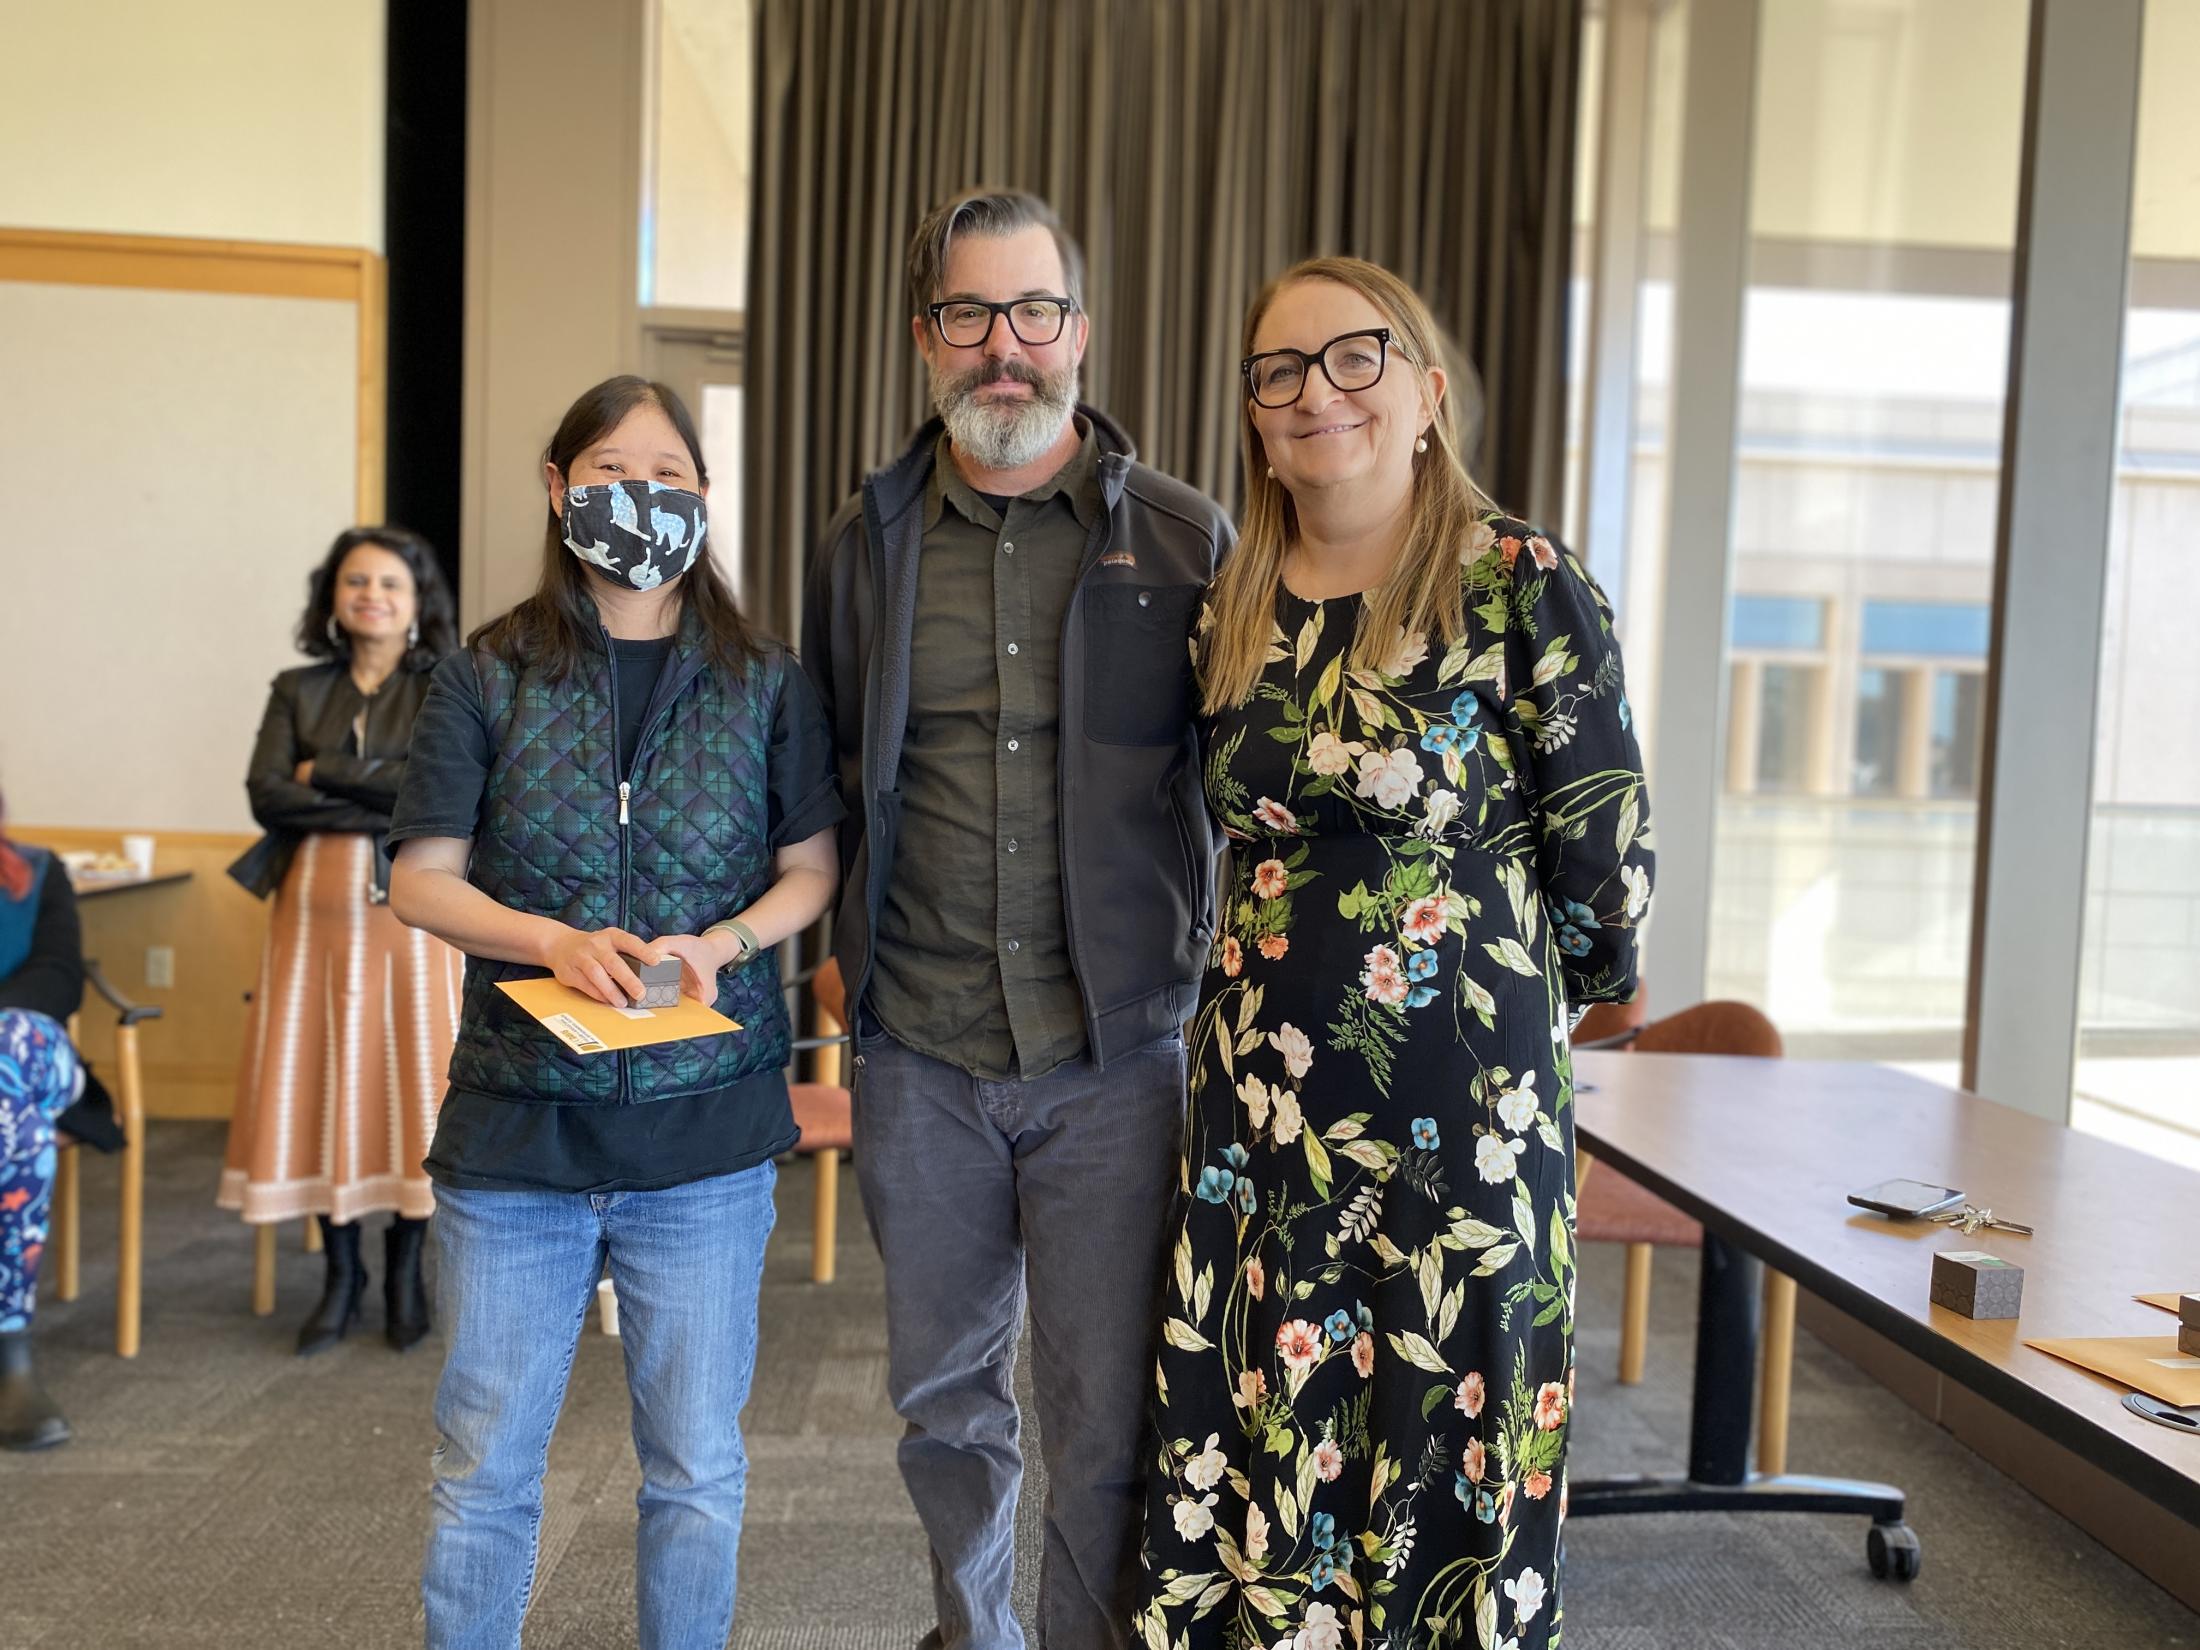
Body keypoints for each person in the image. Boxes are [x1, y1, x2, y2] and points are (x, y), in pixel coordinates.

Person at [1133, 258, 1653, 1650]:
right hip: (1264, 1125)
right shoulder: (1231, 600)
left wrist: (1563, 1000)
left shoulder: (1517, 582)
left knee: (1446, 1467)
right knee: (1271, 1445)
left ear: (1427, 391)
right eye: (1279, 371)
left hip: (1466, 1135)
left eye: (1352, 358)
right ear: (1254, 415)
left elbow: (1605, 855)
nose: (1316, 393)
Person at [801, 188, 1234, 1649]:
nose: (1006, 348)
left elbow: (1241, 790)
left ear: (1080, 333)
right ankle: (971, 1632)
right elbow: (835, 771)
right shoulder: (863, 541)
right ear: (928, 336)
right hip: (919, 1049)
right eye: (972, 315)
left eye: (1033, 312)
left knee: (1107, 1414)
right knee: (943, 1403)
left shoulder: (1184, 543)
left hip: (1116, 1060)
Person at [388, 375, 842, 1650]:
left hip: (703, 1137)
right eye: (610, 468)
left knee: (694, 1469)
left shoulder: (765, 683)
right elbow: (418, 879)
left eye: (669, 473)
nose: (642, 494)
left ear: (704, 498)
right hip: (518, 1135)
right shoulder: (487, 674)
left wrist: (727, 941)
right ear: (557, 488)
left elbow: (812, 868)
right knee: (485, 1469)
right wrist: (548, 941)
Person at [220, 526, 464, 1356]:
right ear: (333, 596)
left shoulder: (448, 683)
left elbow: (435, 791)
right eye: (356, 581)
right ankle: (341, 1275)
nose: (372, 595)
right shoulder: (296, 687)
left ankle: (404, 1271)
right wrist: (374, 793)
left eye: (391, 583)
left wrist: (318, 773)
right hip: (313, 916)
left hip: (418, 917)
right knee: (324, 1077)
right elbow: (263, 797)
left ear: (418, 601)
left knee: (413, 1082)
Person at [0, 798, 121, 1451]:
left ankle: (10, 1353)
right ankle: (8, 1343)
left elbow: (57, 978)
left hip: (28, 1053)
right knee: (6, 1120)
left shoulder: (39, 873)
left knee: (7, 1052)